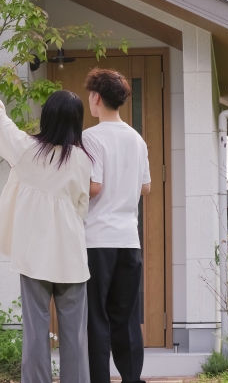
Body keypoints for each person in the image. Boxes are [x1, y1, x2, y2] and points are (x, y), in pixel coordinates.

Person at [0, 70, 92, 383]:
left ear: (47, 117)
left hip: (35, 255)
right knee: (75, 336)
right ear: (76, 122)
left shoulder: (27, 150)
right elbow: (81, 207)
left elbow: (1, 126)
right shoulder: (81, 160)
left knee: (35, 332)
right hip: (72, 255)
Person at [82, 68, 151, 383]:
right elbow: (146, 187)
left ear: (96, 98)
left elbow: (94, 187)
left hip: (97, 239)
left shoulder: (90, 137)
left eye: (90, 96)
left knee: (96, 317)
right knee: (126, 317)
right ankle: (132, 379)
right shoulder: (137, 139)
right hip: (128, 239)